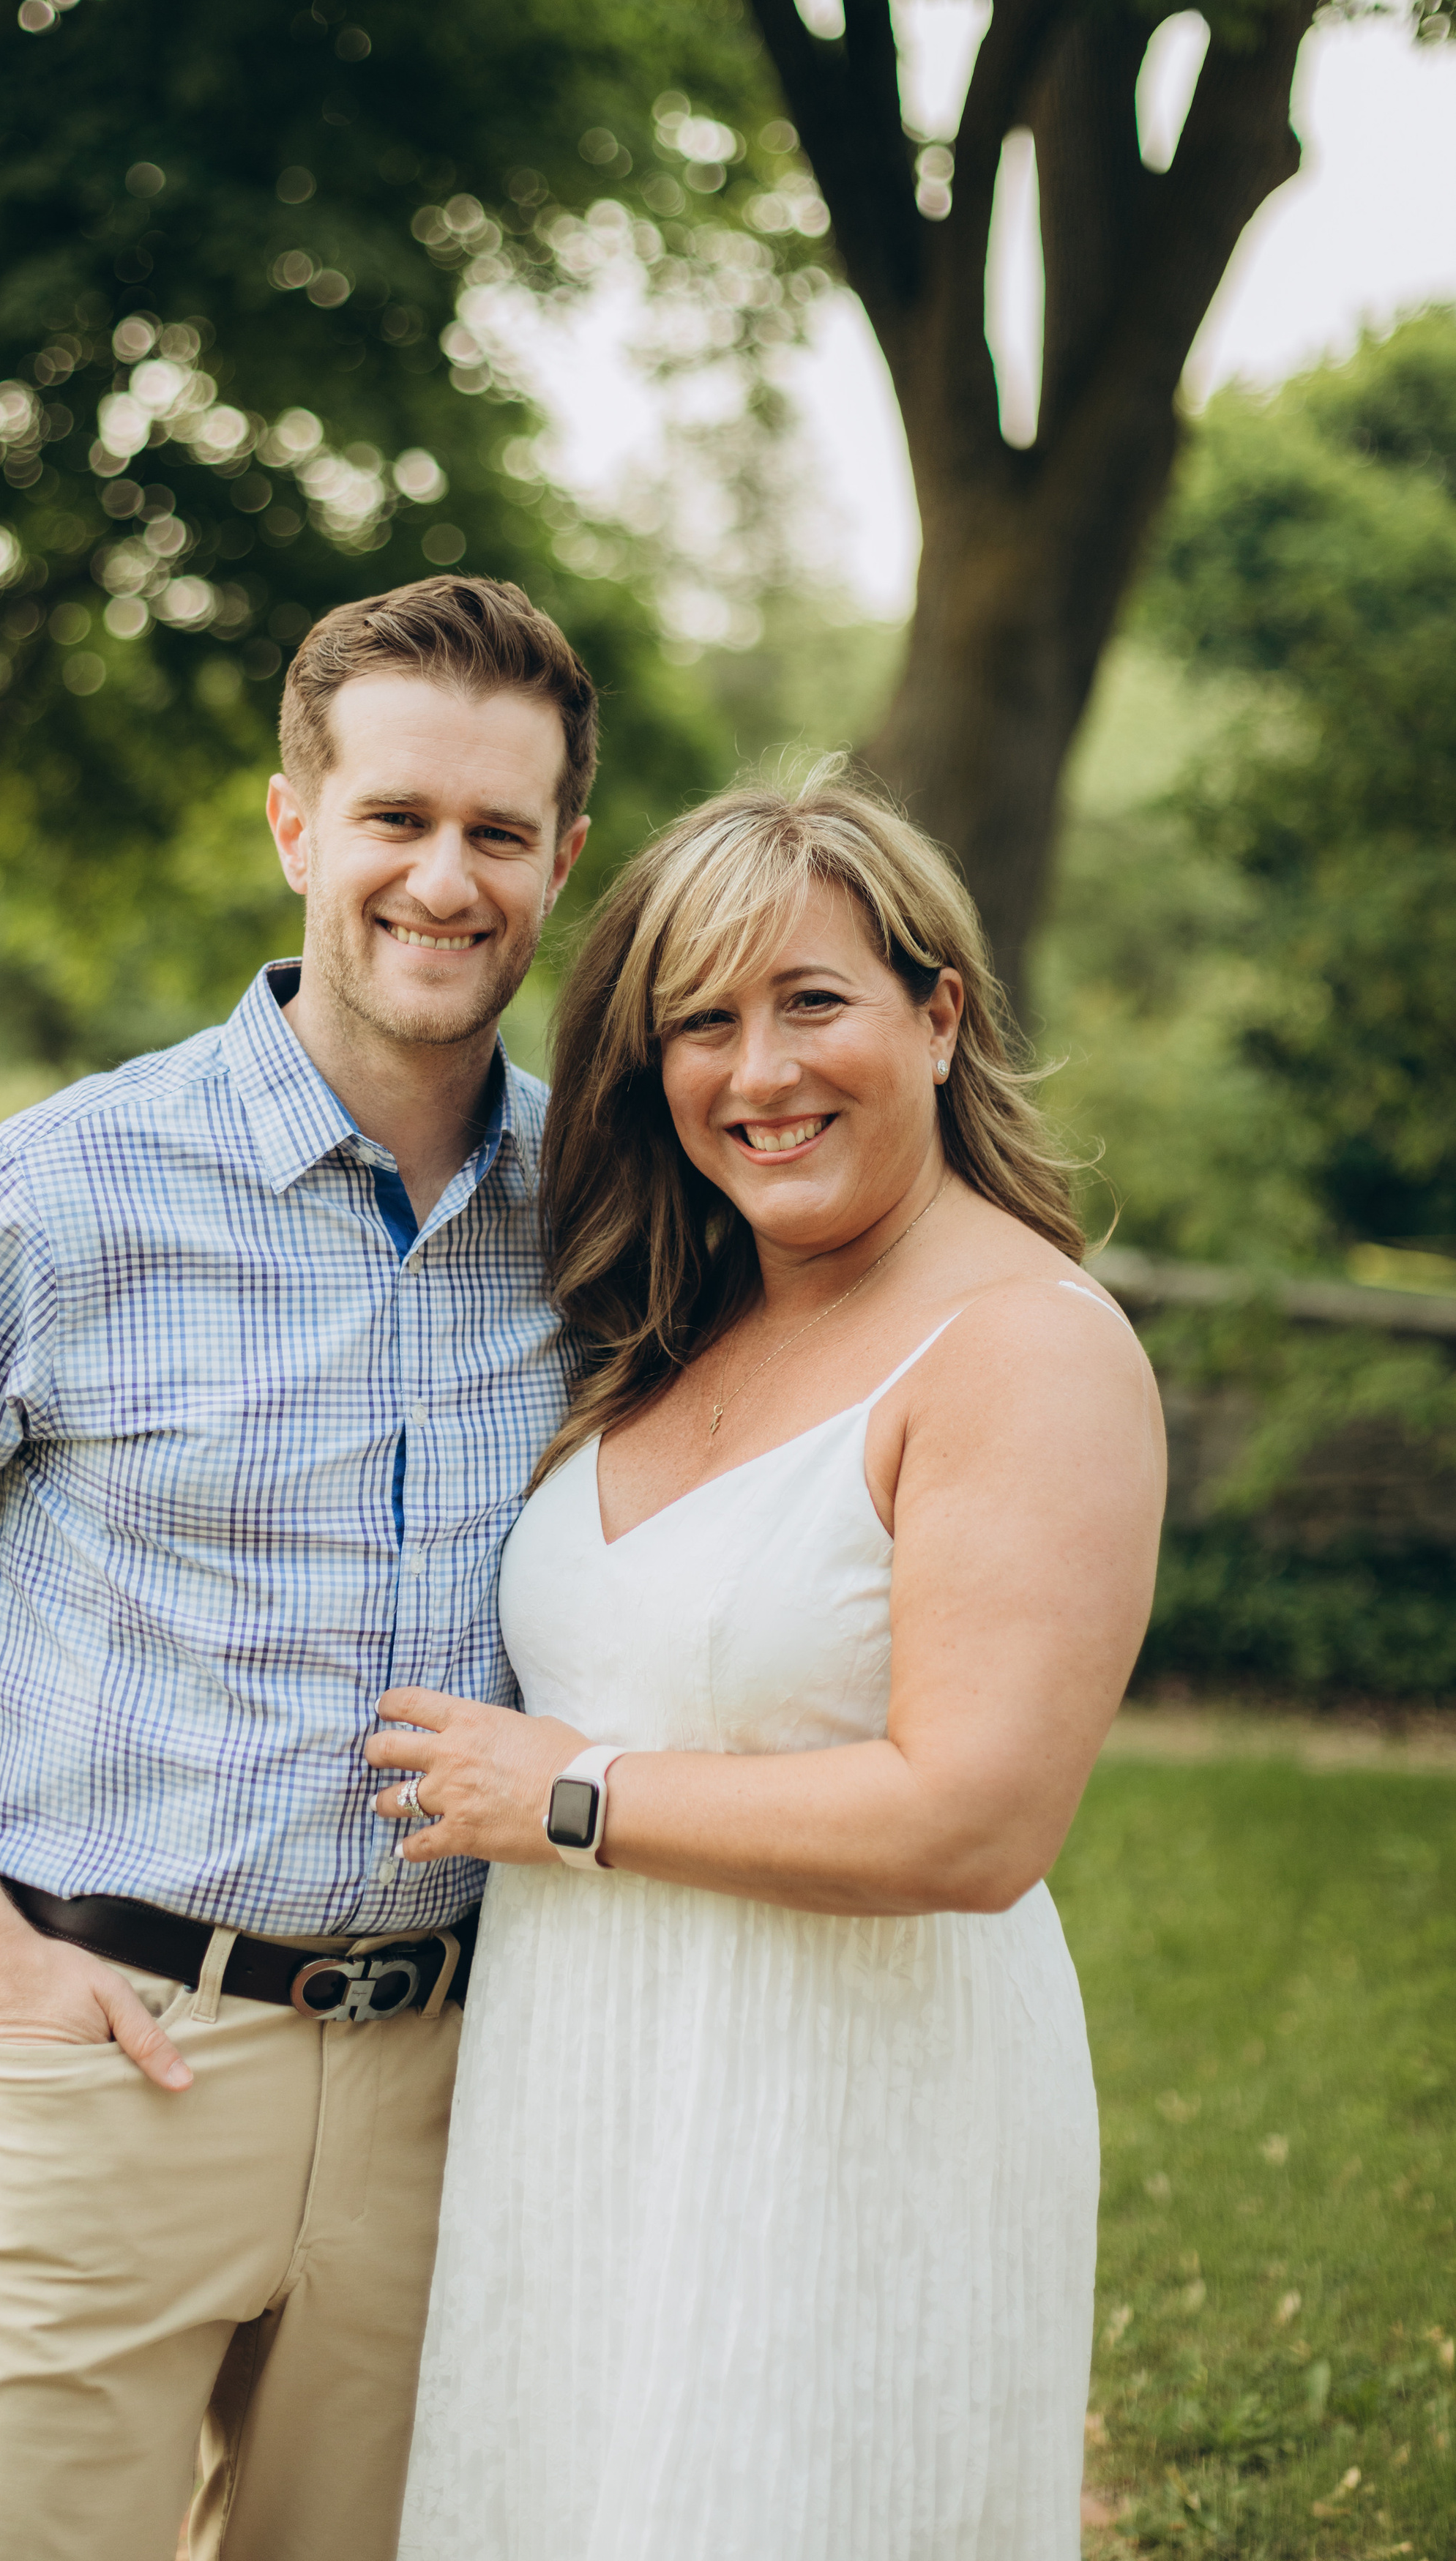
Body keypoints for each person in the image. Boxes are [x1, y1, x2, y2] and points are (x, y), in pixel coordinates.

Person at [0, 575, 593, 2561]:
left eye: (495, 833)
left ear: (561, 861)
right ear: (296, 826)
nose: (442, 879)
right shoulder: (54, 1195)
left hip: (451, 2078)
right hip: (108, 2052)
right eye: (395, 817)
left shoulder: (610, 1215)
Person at [370, 765, 1167, 2561]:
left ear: (936, 1014)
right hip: (583, 2094)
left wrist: (565, 1793)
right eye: (700, 1025)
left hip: (843, 2123)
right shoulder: (674, 1314)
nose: (759, 1072)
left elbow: (973, 1821)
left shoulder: (1023, 1351)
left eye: (812, 1002)